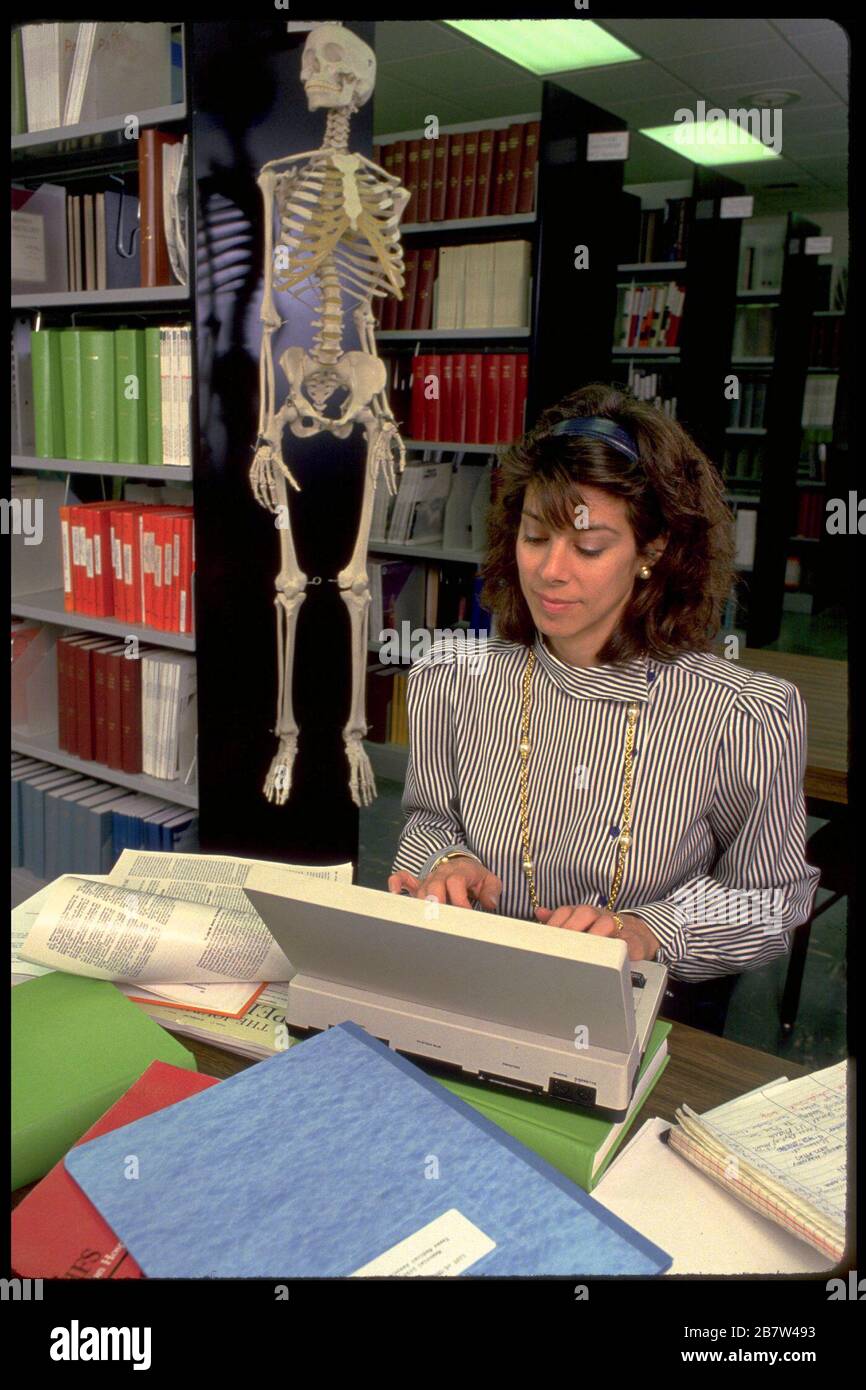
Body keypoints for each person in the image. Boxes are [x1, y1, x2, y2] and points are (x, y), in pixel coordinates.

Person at [387, 383, 820, 1035]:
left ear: (653, 552)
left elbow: (769, 902)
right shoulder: (450, 681)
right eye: (535, 538)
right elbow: (427, 819)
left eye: (589, 547)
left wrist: (647, 929)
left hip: (639, 1018)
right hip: (471, 996)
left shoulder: (744, 716)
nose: (550, 571)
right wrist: (443, 863)